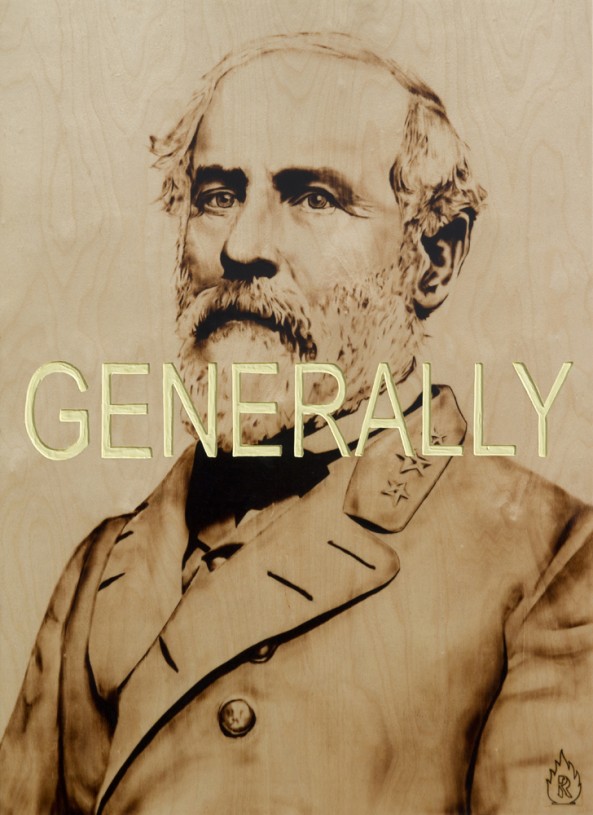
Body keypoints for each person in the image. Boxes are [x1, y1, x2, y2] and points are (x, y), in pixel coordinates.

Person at [1, 32, 591, 815]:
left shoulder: (547, 558)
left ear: (433, 258)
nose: (241, 246)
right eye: (217, 195)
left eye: (313, 198)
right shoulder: (101, 565)